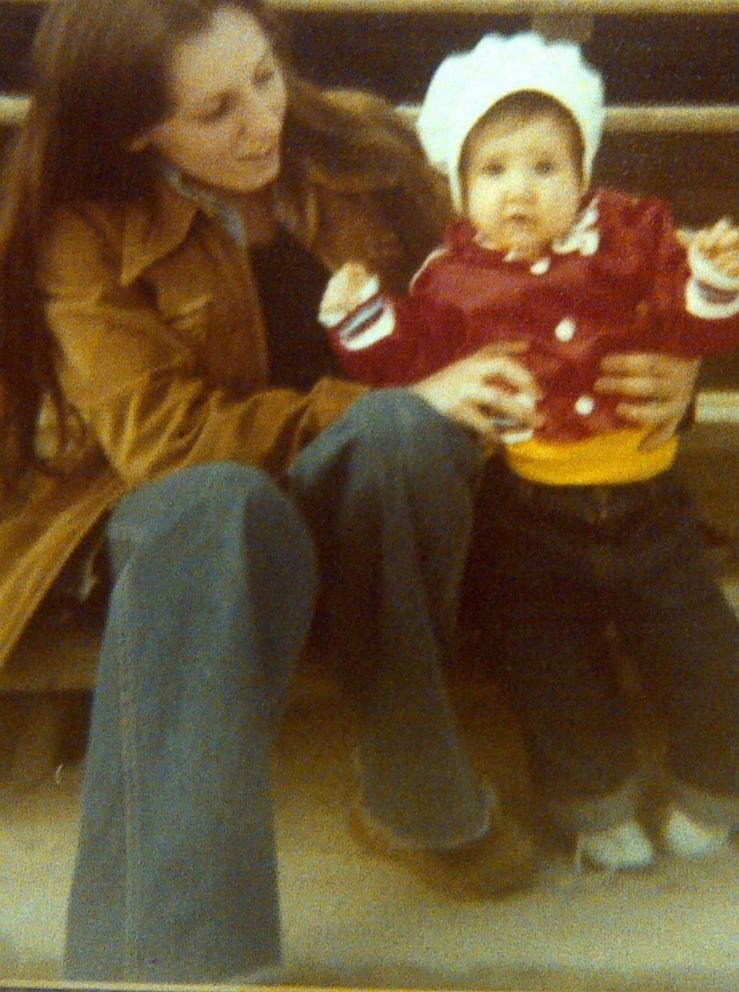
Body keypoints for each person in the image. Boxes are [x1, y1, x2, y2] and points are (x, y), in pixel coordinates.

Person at [0, 2, 699, 983]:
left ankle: (409, 782)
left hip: (396, 510)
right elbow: (160, 438)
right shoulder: (82, 229)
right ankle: (172, 961)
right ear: (132, 130)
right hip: (209, 531)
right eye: (215, 111)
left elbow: (539, 291)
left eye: (263, 77)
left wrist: (664, 375)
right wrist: (394, 395)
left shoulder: (357, 147)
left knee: (400, 431)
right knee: (215, 501)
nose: (262, 121)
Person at [319, 31, 739, 874]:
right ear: (460, 187)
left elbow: (693, 325)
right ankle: (595, 807)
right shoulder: (449, 278)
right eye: (495, 171)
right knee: (555, 676)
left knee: (702, 655)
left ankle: (713, 785)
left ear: (583, 172)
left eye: (546, 167)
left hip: (649, 507)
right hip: (527, 518)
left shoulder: (634, 241)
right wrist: (360, 317)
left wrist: (713, 282)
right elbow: (410, 359)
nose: (520, 191)